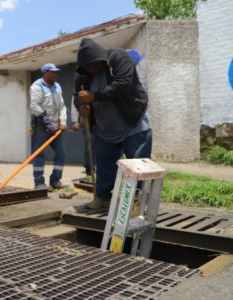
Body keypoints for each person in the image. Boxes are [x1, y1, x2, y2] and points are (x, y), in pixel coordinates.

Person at [73, 38, 152, 209]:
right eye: (88, 67)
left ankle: (138, 203)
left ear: (100, 58)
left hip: (133, 123)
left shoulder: (119, 58)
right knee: (104, 166)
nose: (92, 69)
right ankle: (103, 200)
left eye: (94, 64)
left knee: (137, 166)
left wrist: (94, 96)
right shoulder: (82, 74)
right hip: (104, 129)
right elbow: (77, 96)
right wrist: (81, 107)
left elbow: (123, 84)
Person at [30, 63, 68, 190]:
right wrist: (47, 122)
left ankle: (55, 180)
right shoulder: (37, 86)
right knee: (39, 154)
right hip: (41, 125)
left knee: (61, 154)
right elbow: (35, 106)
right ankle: (39, 182)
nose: (56, 74)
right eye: (53, 72)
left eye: (56, 72)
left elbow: (62, 106)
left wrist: (63, 120)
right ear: (45, 73)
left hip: (56, 126)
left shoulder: (57, 86)